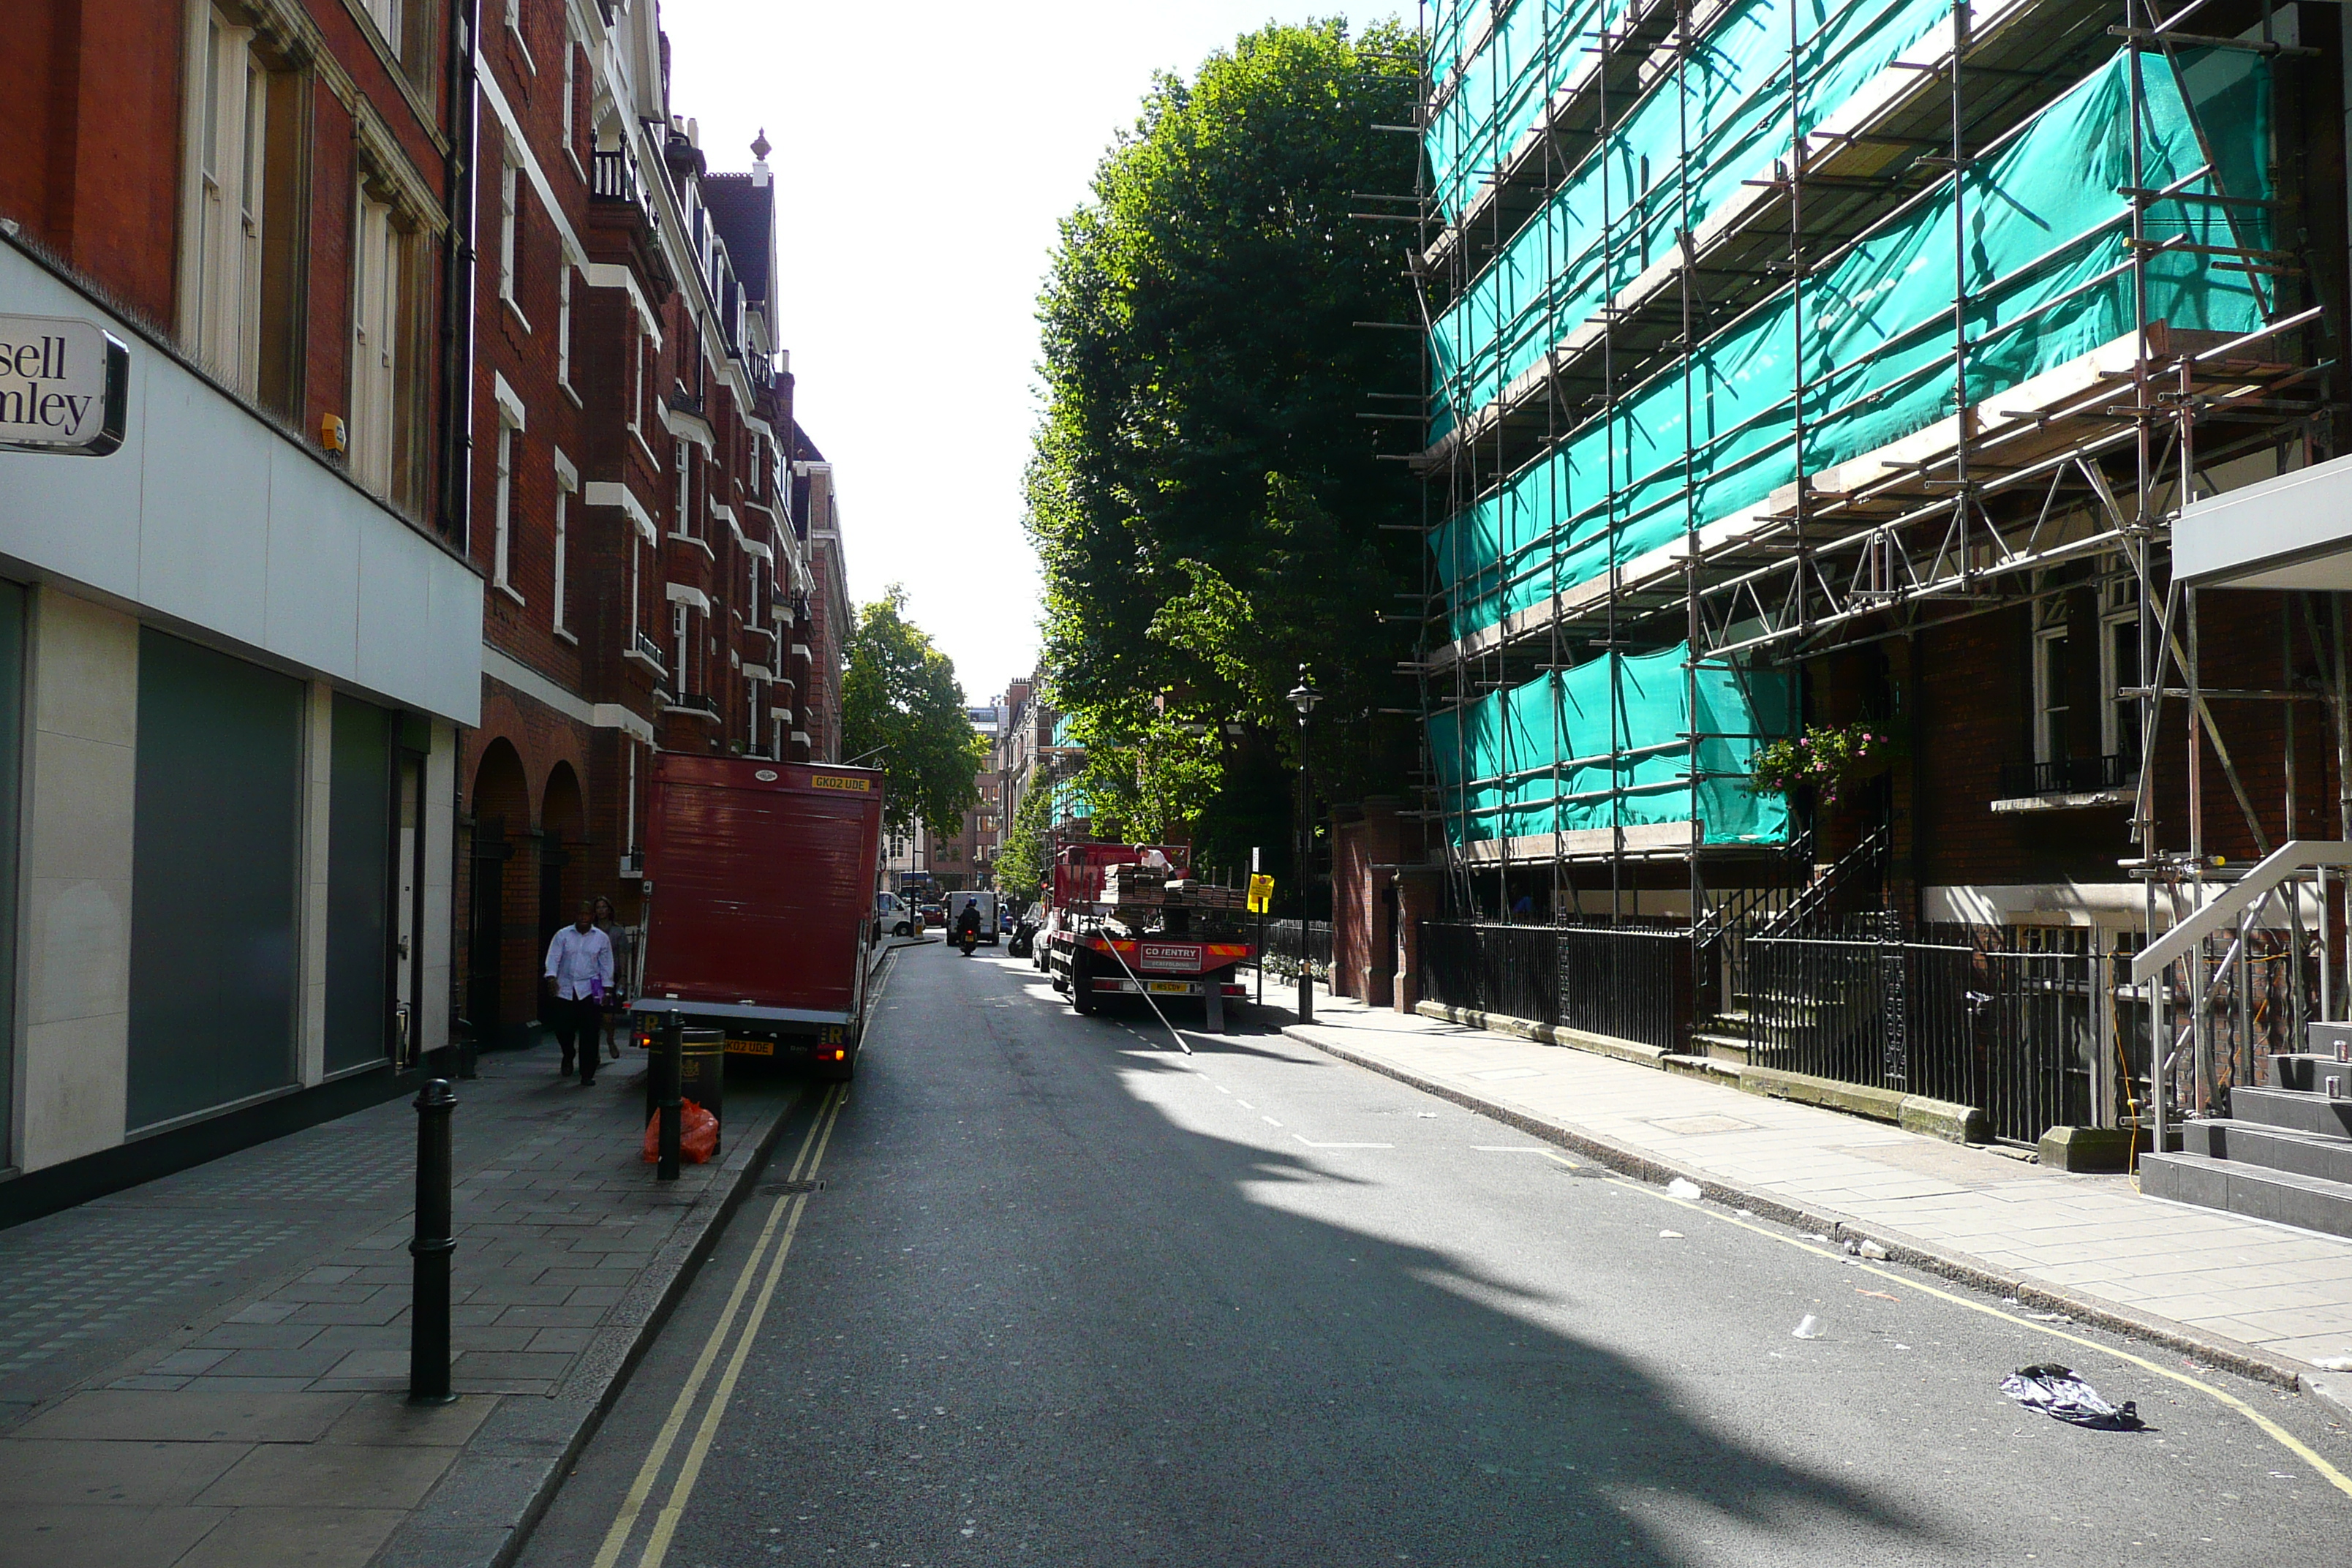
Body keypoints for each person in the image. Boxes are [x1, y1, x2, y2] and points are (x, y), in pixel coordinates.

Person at [544, 900, 614, 1085]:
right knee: (562, 1028)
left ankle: (587, 1073)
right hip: (565, 987)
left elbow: (606, 965)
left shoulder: (601, 938)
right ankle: (568, 1053)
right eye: (580, 914)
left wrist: (607, 990)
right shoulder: (563, 935)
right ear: (575, 916)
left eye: (587, 914)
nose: (583, 918)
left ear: (593, 916)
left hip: (591, 988)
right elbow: (553, 958)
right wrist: (551, 977)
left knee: (590, 1032)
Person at [592, 896, 636, 1060]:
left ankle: (610, 1040)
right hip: (595, 978)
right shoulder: (591, 930)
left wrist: (623, 976)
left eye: (604, 907)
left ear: (609, 910)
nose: (601, 910)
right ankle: (594, 1050)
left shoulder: (617, 932)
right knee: (595, 1016)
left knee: (609, 1017)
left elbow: (623, 954)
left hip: (612, 977)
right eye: (598, 907)